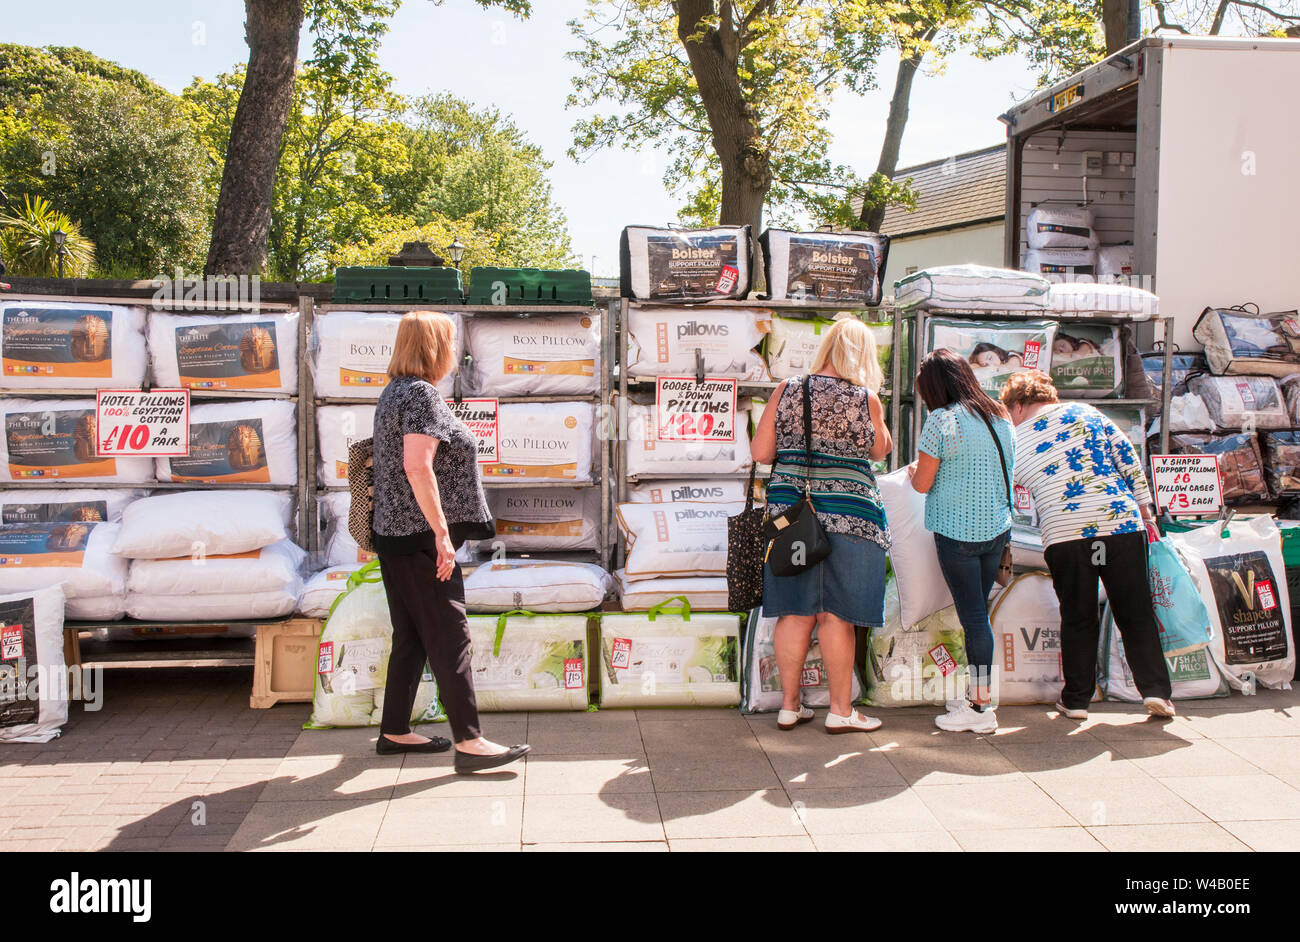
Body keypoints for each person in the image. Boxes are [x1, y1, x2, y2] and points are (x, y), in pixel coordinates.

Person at [370, 310, 530, 772]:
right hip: (420, 538)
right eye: (450, 343)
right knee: (450, 634)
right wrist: (442, 535)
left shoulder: (394, 392)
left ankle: (395, 730)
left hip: (396, 536)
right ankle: (471, 743)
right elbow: (416, 465)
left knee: (413, 637)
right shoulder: (419, 395)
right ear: (433, 348)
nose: (456, 352)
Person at [999, 370, 1175, 720]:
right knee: (1135, 611)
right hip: (1120, 523)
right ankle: (1156, 693)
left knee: (1077, 617)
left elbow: (1003, 486)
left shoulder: (1015, 439)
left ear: (1018, 406)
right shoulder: (1087, 412)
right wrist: (1145, 509)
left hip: (1065, 533)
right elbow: (1128, 459)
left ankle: (1076, 700)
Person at [750, 317, 892, 734]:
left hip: (791, 513)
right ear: (862, 355)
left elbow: (760, 451)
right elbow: (881, 450)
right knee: (837, 615)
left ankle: (789, 707)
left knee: (794, 611)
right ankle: (840, 711)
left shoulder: (788, 389)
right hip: (852, 514)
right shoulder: (866, 399)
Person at [908, 349, 1015, 734]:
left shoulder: (942, 420)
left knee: (974, 619)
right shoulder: (1000, 416)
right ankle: (978, 695)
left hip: (957, 534)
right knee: (978, 615)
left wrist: (910, 477)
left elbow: (922, 483)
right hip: (996, 530)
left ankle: (981, 708)